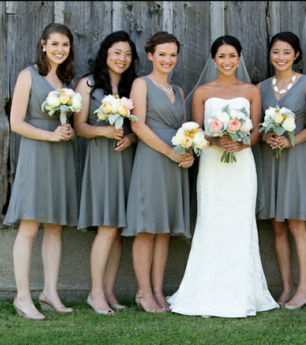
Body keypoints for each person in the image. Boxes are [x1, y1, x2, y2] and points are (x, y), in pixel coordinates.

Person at [167, 35, 280, 318]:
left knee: (240, 222)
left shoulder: (251, 90)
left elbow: (256, 131)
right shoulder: (203, 92)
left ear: (239, 58)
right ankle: (204, 290)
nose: (227, 61)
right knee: (212, 221)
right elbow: (196, 131)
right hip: (212, 164)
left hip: (242, 163)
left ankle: (244, 291)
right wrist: (216, 142)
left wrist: (241, 143)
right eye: (221, 56)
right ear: (213, 59)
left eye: (232, 56)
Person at [4, 23, 78, 320]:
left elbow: (66, 121)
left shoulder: (65, 79)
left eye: (66, 45)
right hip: (37, 152)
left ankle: (49, 292)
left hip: (60, 154)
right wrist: (49, 136)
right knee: (31, 227)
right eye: (55, 44)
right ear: (43, 44)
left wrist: (68, 132)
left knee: (55, 226)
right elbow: (16, 123)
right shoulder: (28, 75)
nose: (61, 50)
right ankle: (22, 298)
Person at [123, 31, 194, 313]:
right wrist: (168, 151)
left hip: (175, 161)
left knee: (163, 230)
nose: (168, 59)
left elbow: (186, 129)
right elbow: (138, 126)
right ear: (151, 55)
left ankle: (157, 289)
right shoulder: (141, 84)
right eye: (162, 54)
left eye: (173, 54)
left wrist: (188, 154)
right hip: (153, 158)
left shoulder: (178, 91)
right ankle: (143, 292)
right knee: (147, 229)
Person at [74, 31, 139, 315]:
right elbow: (79, 127)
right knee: (107, 226)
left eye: (127, 54)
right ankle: (95, 292)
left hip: (125, 158)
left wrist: (131, 138)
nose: (122, 59)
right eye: (117, 52)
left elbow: (137, 127)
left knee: (120, 228)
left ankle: (109, 290)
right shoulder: (87, 84)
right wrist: (105, 131)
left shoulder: (131, 87)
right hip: (102, 160)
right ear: (106, 53)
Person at [256, 32, 306, 309]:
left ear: (296, 55)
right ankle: (287, 286)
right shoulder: (260, 87)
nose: (280, 57)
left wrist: (292, 139)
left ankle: (305, 287)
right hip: (270, 159)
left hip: (296, 158)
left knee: (296, 224)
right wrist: (265, 136)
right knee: (277, 225)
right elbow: (255, 125)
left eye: (286, 52)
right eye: (275, 52)